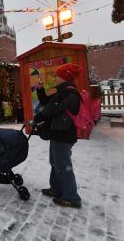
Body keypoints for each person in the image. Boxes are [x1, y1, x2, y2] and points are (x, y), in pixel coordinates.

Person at [34, 63, 83, 209]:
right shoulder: (62, 91)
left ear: (64, 77)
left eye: (57, 75)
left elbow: (51, 109)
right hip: (58, 133)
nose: (55, 78)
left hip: (64, 134)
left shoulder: (69, 93)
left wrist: (38, 118)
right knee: (55, 162)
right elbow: (46, 102)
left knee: (63, 165)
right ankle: (56, 188)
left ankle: (71, 197)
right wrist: (40, 89)